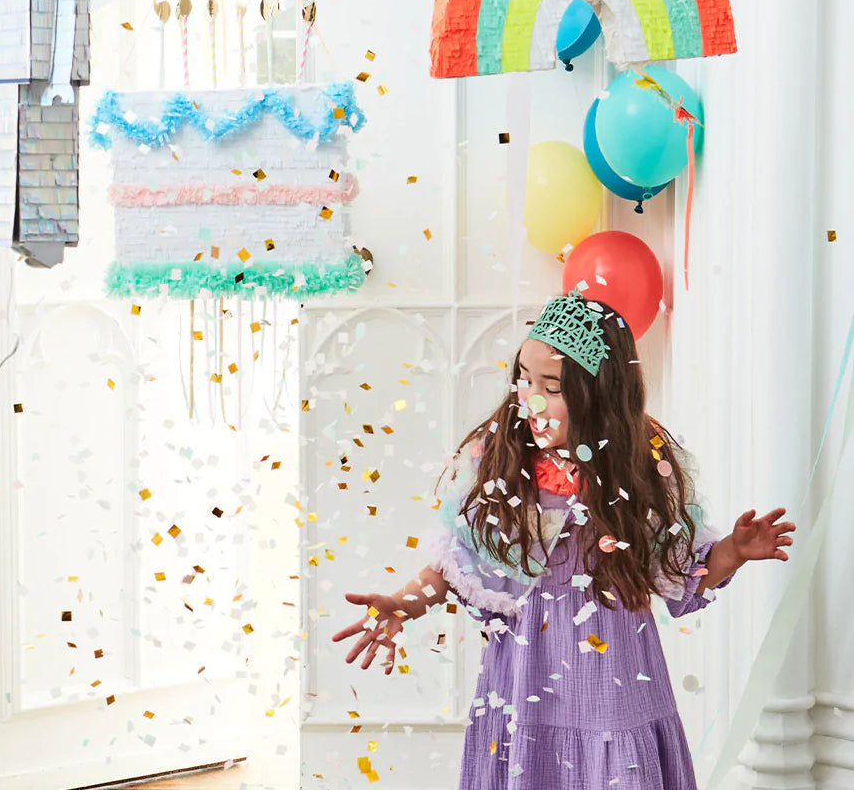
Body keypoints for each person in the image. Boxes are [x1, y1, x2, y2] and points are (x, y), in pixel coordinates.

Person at [332, 291, 794, 789]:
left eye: (551, 387)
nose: (530, 398)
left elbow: (680, 568)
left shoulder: (639, 466)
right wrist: (403, 604)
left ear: (601, 395)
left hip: (614, 684)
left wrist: (732, 552)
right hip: (525, 682)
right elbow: (455, 562)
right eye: (524, 379)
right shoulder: (501, 461)